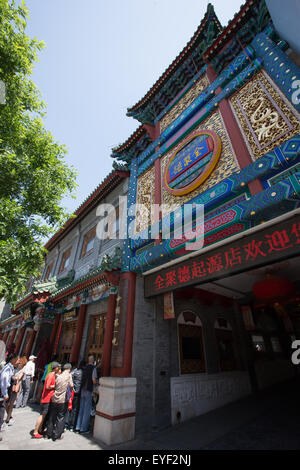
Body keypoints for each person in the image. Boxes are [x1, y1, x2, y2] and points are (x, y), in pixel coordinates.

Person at [32, 362, 61, 439]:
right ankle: (35, 431)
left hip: (47, 398)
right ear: (55, 368)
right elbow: (48, 386)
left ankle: (40, 429)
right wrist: (55, 386)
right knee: (42, 415)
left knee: (44, 415)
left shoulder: (51, 374)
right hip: (46, 398)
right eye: (58, 367)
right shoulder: (51, 375)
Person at [46, 363, 73, 441]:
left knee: (52, 416)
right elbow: (71, 385)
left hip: (54, 398)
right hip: (62, 399)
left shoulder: (58, 375)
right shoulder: (68, 375)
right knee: (61, 417)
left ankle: (49, 433)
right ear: (69, 369)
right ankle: (57, 434)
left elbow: (54, 385)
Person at [75, 355, 97, 434]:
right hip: (88, 389)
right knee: (87, 410)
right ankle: (83, 428)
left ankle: (78, 426)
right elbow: (93, 380)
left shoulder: (84, 368)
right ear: (93, 360)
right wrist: (96, 383)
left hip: (82, 389)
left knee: (81, 408)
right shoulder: (93, 368)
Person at [0, 354, 20, 441]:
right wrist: (5, 394)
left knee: (4, 407)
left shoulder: (9, 368)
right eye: (17, 359)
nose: (18, 361)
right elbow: (4, 381)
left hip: (8, 390)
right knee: (2, 408)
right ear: (12, 359)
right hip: (5, 391)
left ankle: (7, 418)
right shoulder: (7, 368)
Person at [5, 356, 27, 426]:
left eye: (19, 361)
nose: (18, 361)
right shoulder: (14, 368)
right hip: (10, 386)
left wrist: (12, 377)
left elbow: (18, 377)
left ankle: (8, 418)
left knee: (11, 403)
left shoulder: (23, 369)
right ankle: (9, 416)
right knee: (7, 403)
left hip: (15, 386)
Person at [65, 360, 85, 431]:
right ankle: (72, 425)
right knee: (75, 409)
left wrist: (71, 385)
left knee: (69, 407)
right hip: (79, 392)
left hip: (72, 392)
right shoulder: (83, 372)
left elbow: (69, 375)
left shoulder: (75, 371)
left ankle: (66, 423)